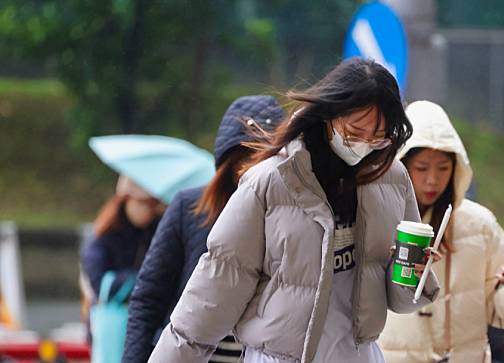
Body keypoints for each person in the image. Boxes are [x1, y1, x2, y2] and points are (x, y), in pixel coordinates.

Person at [148, 58, 440, 363]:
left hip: (357, 355)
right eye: (354, 132)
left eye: (378, 137)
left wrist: (415, 272)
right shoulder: (271, 181)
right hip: (280, 357)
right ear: (328, 115)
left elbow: (401, 301)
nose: (365, 145)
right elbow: (218, 284)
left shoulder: (391, 178)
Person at [122, 95, 286, 363]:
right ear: (227, 164)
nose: (254, 169)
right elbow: (149, 297)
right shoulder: (189, 208)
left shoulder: (294, 217)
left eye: (266, 158)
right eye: (246, 157)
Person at [378, 100, 504, 363]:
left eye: (444, 168)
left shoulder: (480, 225)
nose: (432, 180)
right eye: (422, 167)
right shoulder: (378, 218)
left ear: (457, 168)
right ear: (401, 165)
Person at [81, 176, 164, 305]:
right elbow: (99, 283)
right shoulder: (104, 233)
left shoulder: (158, 230)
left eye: (153, 204)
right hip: (111, 313)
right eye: (143, 203)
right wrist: (140, 278)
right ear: (126, 200)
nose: (148, 210)